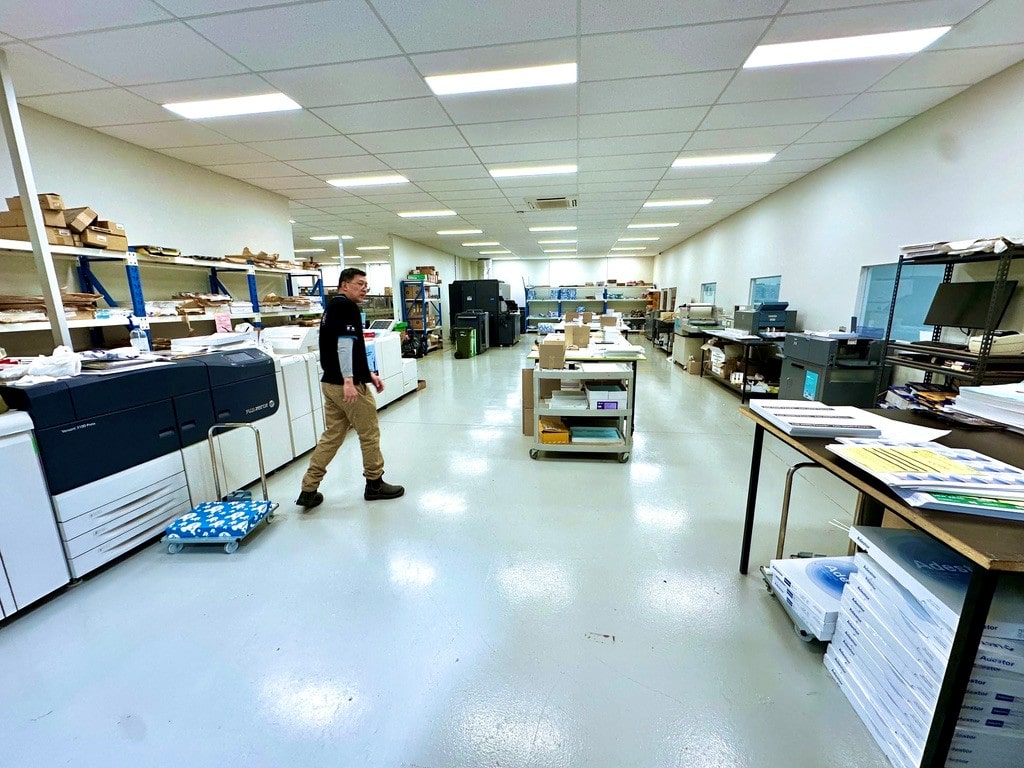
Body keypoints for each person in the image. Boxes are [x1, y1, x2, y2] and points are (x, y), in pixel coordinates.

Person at [295, 267, 404, 508]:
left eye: (366, 285)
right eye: (360, 284)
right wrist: (349, 380)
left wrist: (368, 375)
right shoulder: (347, 307)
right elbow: (344, 346)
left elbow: (350, 348)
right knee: (369, 433)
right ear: (345, 285)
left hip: (330, 383)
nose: (365, 288)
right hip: (347, 386)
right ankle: (375, 484)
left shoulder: (333, 306)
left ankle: (308, 488)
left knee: (331, 436)